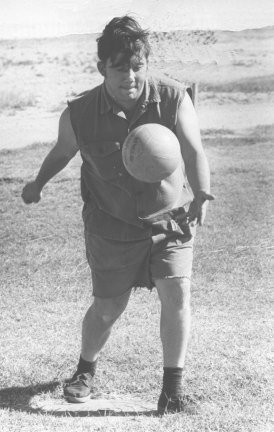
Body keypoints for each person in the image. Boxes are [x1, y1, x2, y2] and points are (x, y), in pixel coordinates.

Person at [21, 15, 214, 414]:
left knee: (177, 293)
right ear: (101, 68)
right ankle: (84, 371)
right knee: (109, 306)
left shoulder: (174, 97)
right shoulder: (80, 112)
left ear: (147, 63)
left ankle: (172, 392)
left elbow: (194, 150)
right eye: (119, 67)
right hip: (111, 223)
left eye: (137, 66)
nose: (130, 76)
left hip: (169, 218)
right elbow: (62, 152)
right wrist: (37, 184)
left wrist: (203, 193)